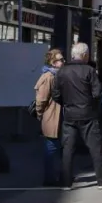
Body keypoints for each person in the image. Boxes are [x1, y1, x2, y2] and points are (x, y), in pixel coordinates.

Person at [52, 42, 102, 189]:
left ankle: (66, 182)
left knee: (68, 149)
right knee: (96, 148)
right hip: (88, 114)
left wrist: (67, 104)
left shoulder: (62, 72)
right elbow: (97, 93)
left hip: (70, 114)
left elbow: (56, 95)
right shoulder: (89, 71)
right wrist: (92, 106)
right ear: (84, 55)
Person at [34, 48, 65, 187]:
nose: (63, 61)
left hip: (58, 116)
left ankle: (57, 176)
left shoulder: (57, 75)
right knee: (51, 148)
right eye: (60, 59)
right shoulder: (48, 77)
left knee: (57, 148)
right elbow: (41, 100)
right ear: (52, 62)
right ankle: (50, 178)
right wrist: (40, 114)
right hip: (51, 116)